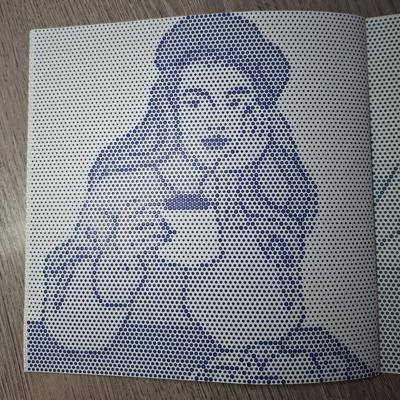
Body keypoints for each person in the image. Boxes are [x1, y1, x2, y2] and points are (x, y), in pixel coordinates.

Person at [27, 12, 373, 384]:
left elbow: (258, 330)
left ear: (258, 116)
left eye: (236, 102)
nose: (216, 120)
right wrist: (120, 259)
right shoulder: (124, 183)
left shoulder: (264, 189)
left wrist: (228, 194)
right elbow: (71, 334)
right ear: (172, 107)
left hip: (219, 373)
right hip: (115, 371)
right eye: (196, 102)